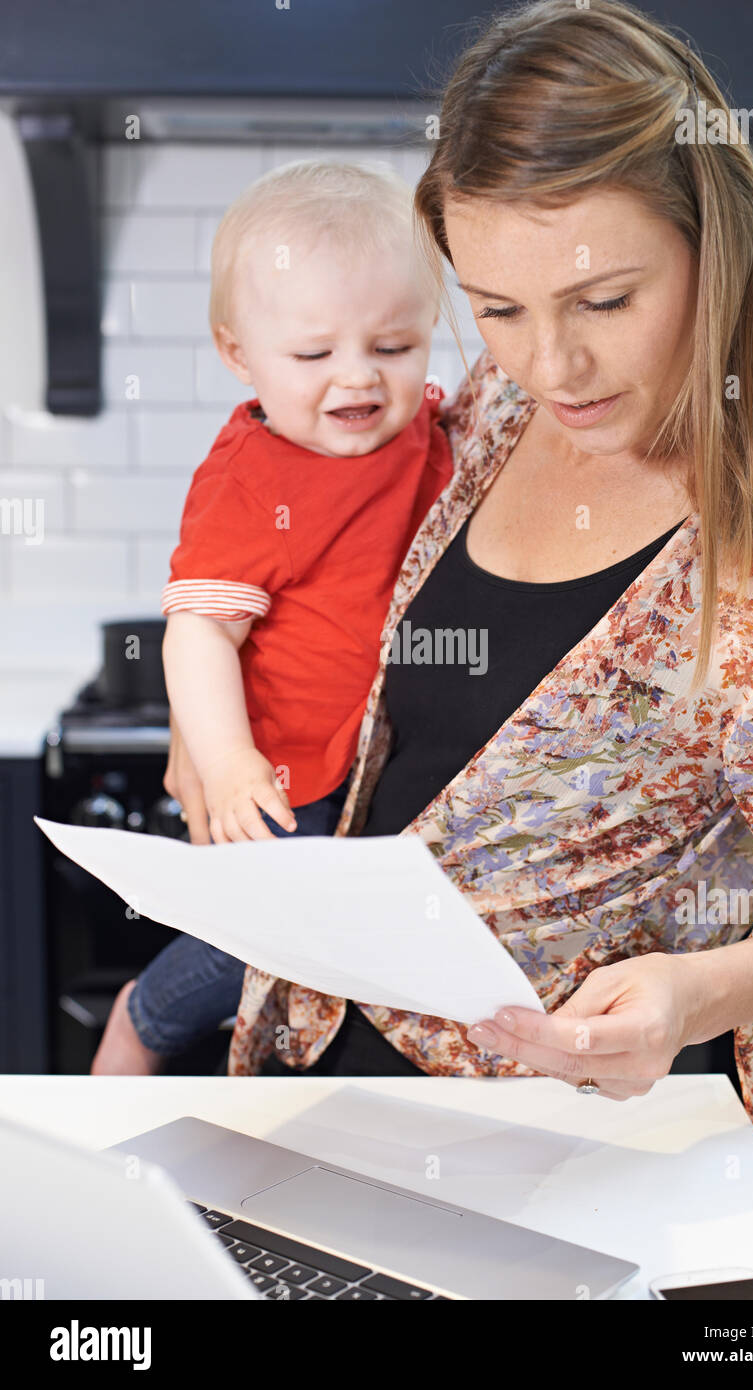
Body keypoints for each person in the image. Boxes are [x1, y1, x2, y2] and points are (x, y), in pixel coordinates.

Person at [166, 0, 753, 1191]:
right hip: (314, 1069)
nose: (552, 365)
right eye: (495, 308)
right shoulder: (487, 410)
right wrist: (209, 729)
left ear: (717, 246)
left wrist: (699, 991)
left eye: (603, 301)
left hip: (556, 1145)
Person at [91, 160, 452, 1074]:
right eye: (314, 354)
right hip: (282, 772)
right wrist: (225, 758)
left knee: (344, 956)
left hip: (378, 759)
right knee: (266, 941)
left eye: (395, 346)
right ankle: (144, 1020)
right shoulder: (251, 483)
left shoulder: (425, 431)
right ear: (236, 353)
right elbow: (202, 630)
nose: (358, 377)